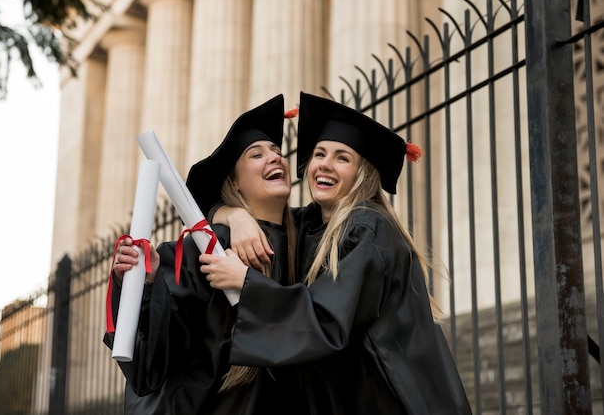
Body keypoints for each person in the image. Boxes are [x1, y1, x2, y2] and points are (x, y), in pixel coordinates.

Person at [201, 91, 472, 414]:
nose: (325, 165)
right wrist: (235, 216)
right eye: (319, 154)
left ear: (362, 174)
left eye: (342, 158)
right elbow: (225, 205)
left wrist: (246, 283)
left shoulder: (368, 229)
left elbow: (325, 321)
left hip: (389, 402)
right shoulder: (309, 227)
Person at [103, 94, 306, 414]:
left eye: (277, 152)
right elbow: (153, 360)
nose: (274, 157)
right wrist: (149, 283)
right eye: (256, 154)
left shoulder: (306, 238)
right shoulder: (211, 247)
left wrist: (227, 212)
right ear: (234, 184)